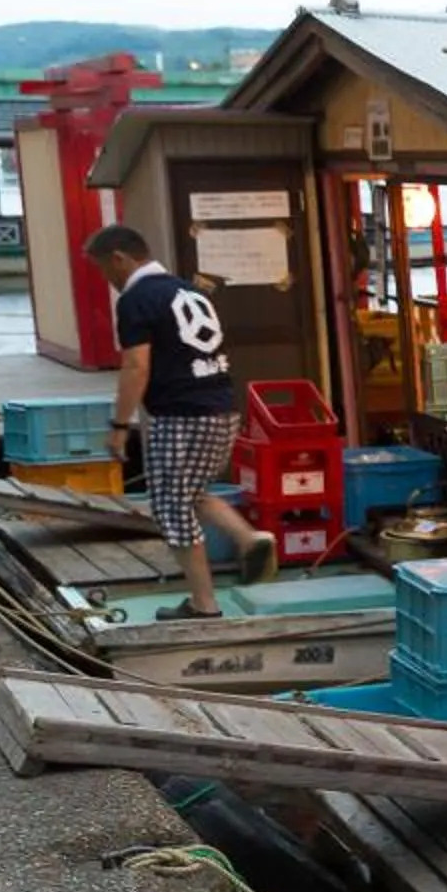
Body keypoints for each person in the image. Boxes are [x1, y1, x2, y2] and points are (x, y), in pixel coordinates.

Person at [87, 225, 274, 617]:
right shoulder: (189, 290)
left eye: (104, 269)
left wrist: (119, 426)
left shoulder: (137, 299)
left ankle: (204, 604)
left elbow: (136, 366)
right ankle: (249, 538)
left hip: (180, 416)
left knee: (170, 506)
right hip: (223, 408)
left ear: (119, 258)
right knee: (192, 493)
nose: (107, 279)